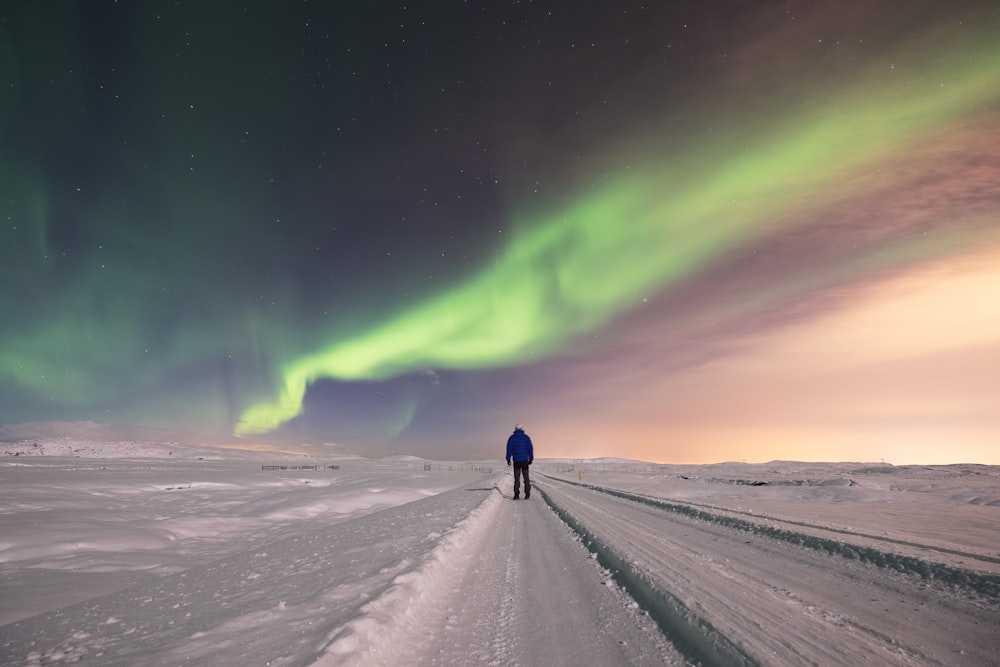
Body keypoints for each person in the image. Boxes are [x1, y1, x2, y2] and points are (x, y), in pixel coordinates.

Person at [505, 424, 534, 499]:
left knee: (517, 479)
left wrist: (508, 459)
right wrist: (530, 458)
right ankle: (527, 494)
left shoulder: (512, 438)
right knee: (526, 478)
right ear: (522, 429)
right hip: (524, 461)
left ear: (515, 429)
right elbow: (530, 448)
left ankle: (516, 495)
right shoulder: (526, 438)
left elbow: (509, 449)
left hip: (516, 461)